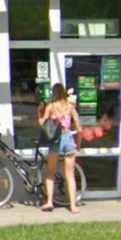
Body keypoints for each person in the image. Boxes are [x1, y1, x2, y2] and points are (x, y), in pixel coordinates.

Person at [38, 83, 82, 213]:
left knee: (50, 173)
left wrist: (39, 114)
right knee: (70, 175)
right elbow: (79, 129)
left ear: (54, 93)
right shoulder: (71, 108)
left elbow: (43, 124)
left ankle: (49, 202)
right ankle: (73, 205)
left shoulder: (51, 107)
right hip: (68, 139)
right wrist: (78, 145)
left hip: (56, 140)